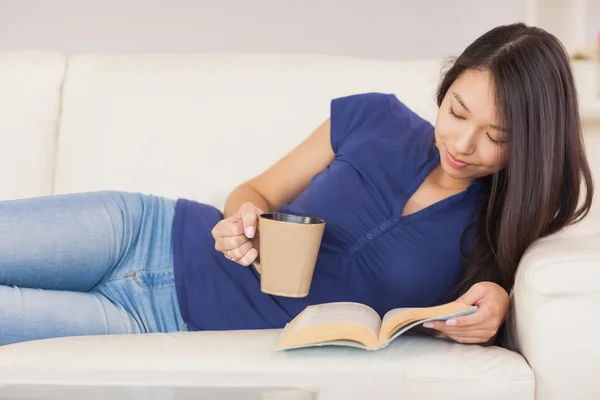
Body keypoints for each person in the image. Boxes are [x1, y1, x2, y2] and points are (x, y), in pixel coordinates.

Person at [0, 22, 593, 347]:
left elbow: (496, 305)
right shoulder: (373, 118)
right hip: (141, 231)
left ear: (533, 144)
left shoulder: (504, 226)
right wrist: (242, 222)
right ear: (445, 90)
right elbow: (254, 192)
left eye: (497, 135)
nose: (463, 144)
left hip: (154, 323)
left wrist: (500, 304)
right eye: (458, 111)